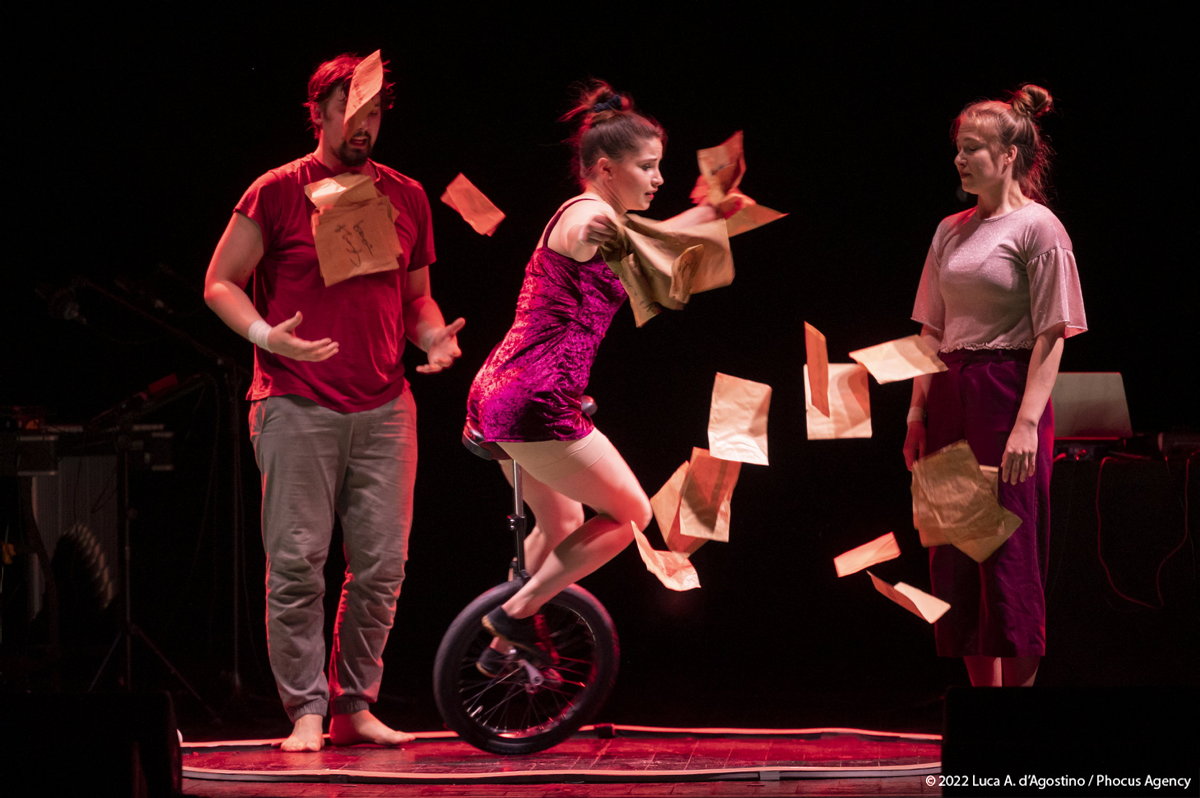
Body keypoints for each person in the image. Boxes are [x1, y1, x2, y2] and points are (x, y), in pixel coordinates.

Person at [203, 53, 464, 750]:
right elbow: (220, 281)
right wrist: (266, 336)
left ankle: (353, 704)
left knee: (382, 567)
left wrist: (433, 337)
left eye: (375, 112)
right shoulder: (276, 191)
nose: (364, 125)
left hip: (385, 405)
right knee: (297, 563)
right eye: (351, 109)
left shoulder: (406, 195)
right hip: (295, 401)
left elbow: (416, 298)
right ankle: (306, 711)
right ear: (318, 111)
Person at [464, 82, 720, 665]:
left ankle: (503, 644)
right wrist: (602, 230)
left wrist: (712, 211)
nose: (658, 179)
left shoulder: (609, 219)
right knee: (632, 515)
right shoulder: (589, 214)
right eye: (647, 167)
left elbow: (656, 246)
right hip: (536, 400)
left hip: (499, 393)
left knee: (562, 523)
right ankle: (514, 613)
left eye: (659, 167)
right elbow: (592, 234)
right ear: (606, 168)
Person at [902, 84, 1086, 687]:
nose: (960, 159)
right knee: (956, 557)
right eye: (958, 148)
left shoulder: (1040, 228)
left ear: (1009, 156)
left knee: (1009, 556)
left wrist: (1027, 423)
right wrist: (916, 415)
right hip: (950, 392)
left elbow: (1053, 334)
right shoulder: (948, 230)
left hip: (1006, 395)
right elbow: (932, 330)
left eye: (973, 149)